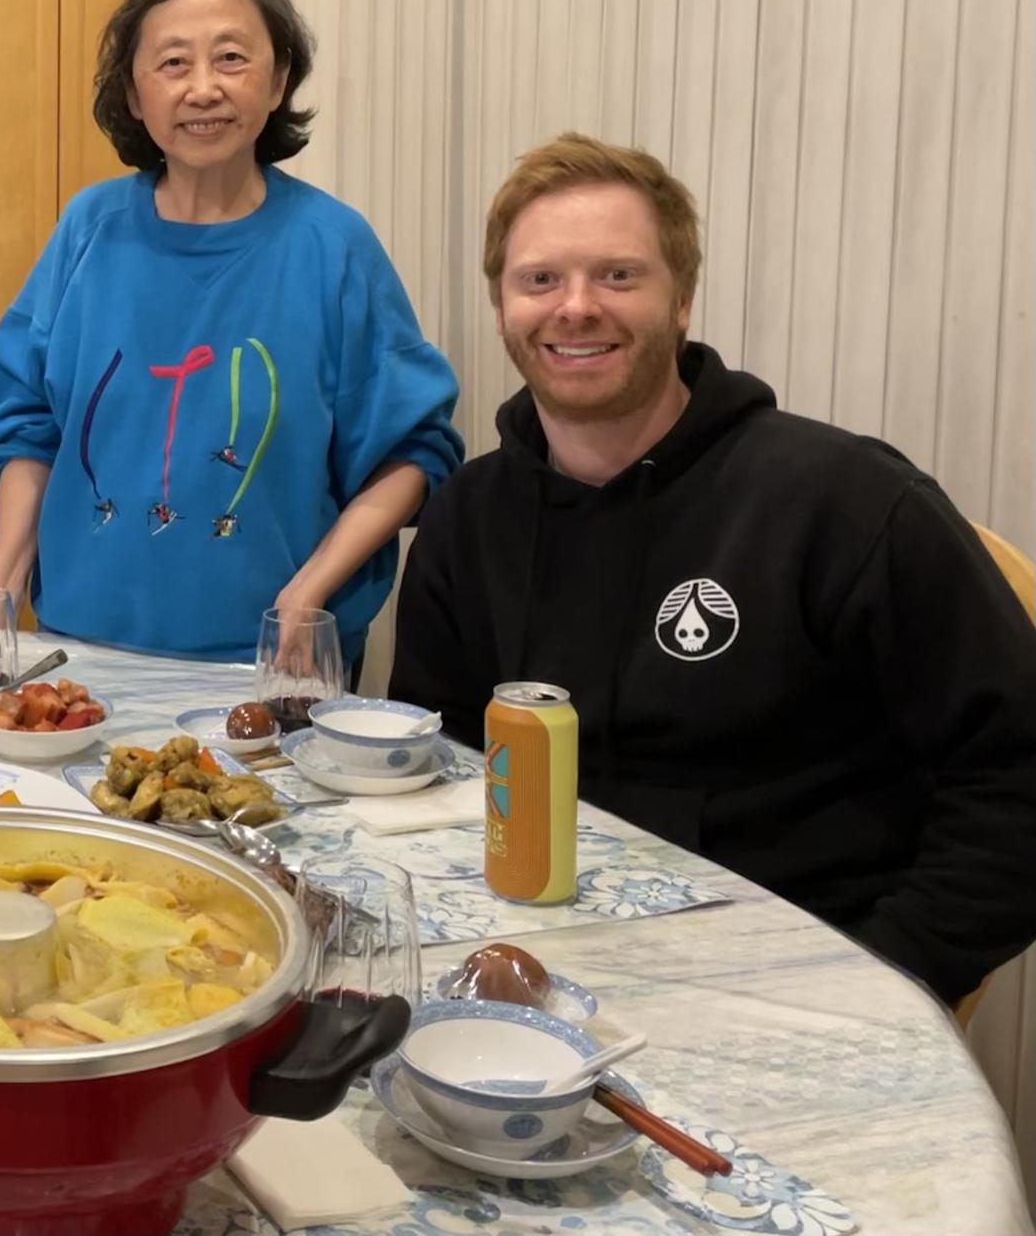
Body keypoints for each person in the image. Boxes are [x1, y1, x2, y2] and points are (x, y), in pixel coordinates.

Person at [390, 131, 1036, 1006]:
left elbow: (1014, 774)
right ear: (501, 307)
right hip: (530, 970)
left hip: (798, 981)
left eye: (619, 275)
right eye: (539, 280)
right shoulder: (468, 516)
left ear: (682, 298)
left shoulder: (845, 502)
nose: (575, 307)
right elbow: (441, 765)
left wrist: (885, 978)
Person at [0, 0, 462, 663]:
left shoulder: (333, 247)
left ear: (278, 81)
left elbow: (412, 453)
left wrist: (307, 598)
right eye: (173, 64)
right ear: (134, 96)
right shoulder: (89, 228)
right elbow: (29, 431)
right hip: (82, 653)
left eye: (231, 58)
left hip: (267, 665)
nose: (203, 89)